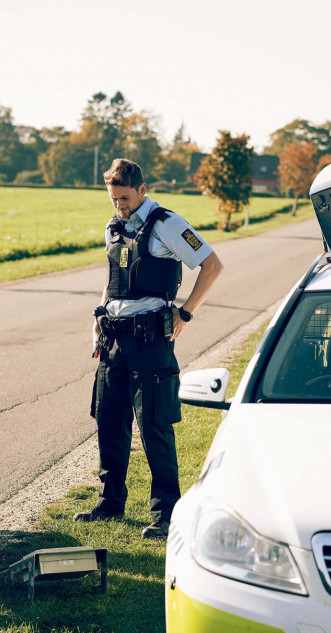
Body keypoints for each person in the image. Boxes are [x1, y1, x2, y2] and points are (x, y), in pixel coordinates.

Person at [76, 158, 224, 539]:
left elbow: (212, 265)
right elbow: (114, 280)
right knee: (109, 421)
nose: (120, 205)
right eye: (113, 199)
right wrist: (98, 320)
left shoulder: (167, 224)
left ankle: (166, 513)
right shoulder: (114, 226)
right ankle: (110, 503)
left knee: (155, 426)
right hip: (113, 339)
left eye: (125, 198)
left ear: (142, 190)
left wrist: (186, 313)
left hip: (150, 342)